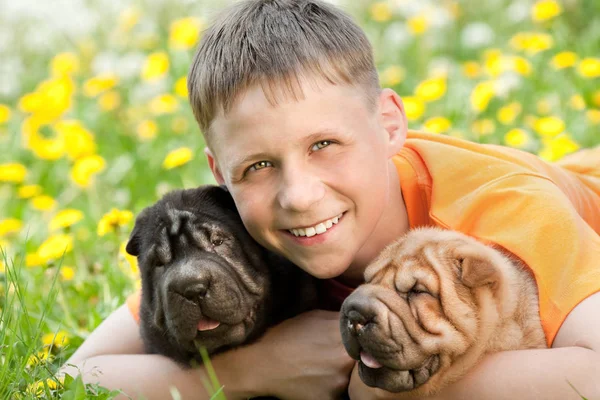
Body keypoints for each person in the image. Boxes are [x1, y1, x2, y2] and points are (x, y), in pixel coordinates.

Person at [61, 0, 600, 399]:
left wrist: (399, 387)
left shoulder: (500, 206)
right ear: (220, 175)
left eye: (324, 145)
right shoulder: (245, 233)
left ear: (388, 124)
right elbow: (73, 380)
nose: (298, 196)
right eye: (258, 166)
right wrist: (251, 371)